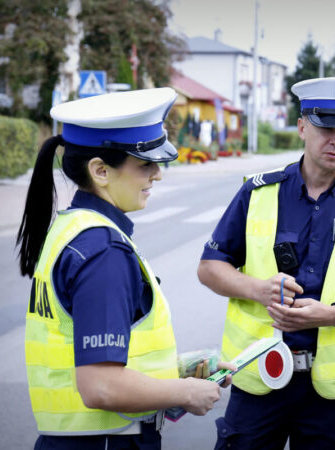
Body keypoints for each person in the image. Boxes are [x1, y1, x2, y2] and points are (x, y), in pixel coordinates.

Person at [197, 77, 335, 449]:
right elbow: (210, 267)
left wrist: (334, 314)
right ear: (301, 127)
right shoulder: (258, 192)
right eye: (326, 128)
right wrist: (258, 289)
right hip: (259, 375)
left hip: (333, 391)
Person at [16, 88, 233, 449]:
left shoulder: (73, 229)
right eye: (145, 164)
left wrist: (176, 369)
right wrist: (184, 391)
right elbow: (101, 385)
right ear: (100, 171)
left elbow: (91, 353)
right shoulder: (103, 251)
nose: (157, 175)